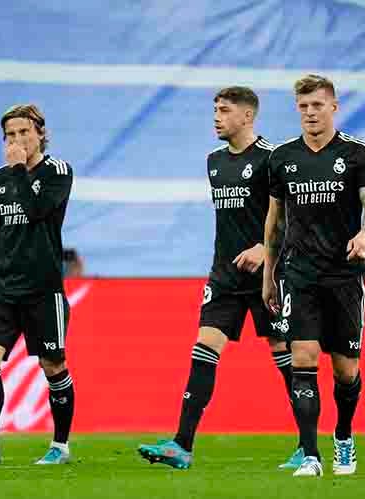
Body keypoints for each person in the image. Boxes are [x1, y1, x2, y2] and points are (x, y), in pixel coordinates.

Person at [137, 87, 299, 470]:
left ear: (247, 116)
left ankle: (307, 444)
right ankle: (182, 445)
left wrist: (265, 250)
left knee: (285, 354)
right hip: (224, 276)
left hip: (268, 277)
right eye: (215, 110)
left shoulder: (272, 159)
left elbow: (295, 216)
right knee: (203, 349)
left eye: (224, 111)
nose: (216, 117)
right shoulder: (214, 161)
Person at [262, 74, 365, 477]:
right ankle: (311, 454)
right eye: (303, 106)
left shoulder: (358, 154)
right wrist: (269, 273)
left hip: (344, 275)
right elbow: (275, 221)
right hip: (300, 273)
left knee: (346, 370)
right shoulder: (281, 158)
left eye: (318, 105)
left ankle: (344, 436)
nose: (311, 113)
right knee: (303, 357)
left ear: (334, 106)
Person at [0, 104, 75, 465]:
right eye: (10, 135)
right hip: (4, 289)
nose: (17, 140)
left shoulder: (58, 171)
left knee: (53, 365)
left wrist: (20, 168)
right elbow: (1, 231)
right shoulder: (0, 178)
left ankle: (60, 447)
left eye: (24, 132)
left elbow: (37, 210)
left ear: (40, 133)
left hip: (43, 289)